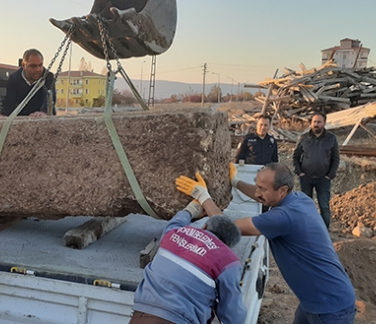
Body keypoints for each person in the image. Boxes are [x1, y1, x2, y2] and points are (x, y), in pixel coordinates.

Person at [230, 162, 356, 324]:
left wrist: (204, 199)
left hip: (331, 309)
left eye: (262, 188)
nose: (257, 192)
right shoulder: (300, 199)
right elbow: (262, 196)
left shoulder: (282, 217)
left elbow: (231, 227)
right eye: (257, 186)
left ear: (282, 190)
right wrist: (236, 182)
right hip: (315, 300)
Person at [129, 174, 246, 324]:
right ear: (228, 245)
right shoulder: (228, 261)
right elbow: (233, 313)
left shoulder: (173, 233)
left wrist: (192, 208)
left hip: (141, 316)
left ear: (204, 227)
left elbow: (176, 222)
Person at [293, 112, 340, 229]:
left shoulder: (331, 139)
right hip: (306, 178)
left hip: (323, 179)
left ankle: (324, 232)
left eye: (319, 122)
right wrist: (300, 172)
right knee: (306, 206)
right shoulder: (303, 138)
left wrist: (330, 175)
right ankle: (306, 230)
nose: (316, 124)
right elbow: (295, 156)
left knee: (324, 206)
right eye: (314, 122)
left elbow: (336, 158)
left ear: (324, 123)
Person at [1, 49, 56, 117]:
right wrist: (5, 116)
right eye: (33, 66)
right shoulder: (14, 79)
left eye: (40, 65)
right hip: (21, 117)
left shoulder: (48, 77)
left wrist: (44, 112)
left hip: (41, 115)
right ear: (23, 65)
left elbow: (50, 97)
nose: (38, 69)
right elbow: (10, 101)